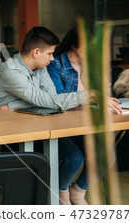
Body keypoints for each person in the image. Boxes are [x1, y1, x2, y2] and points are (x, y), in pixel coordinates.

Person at [46, 26, 92, 205]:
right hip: (61, 124)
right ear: (74, 46)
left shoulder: (88, 66)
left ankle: (78, 191)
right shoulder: (55, 65)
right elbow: (59, 99)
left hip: (84, 123)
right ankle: (61, 190)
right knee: (75, 158)